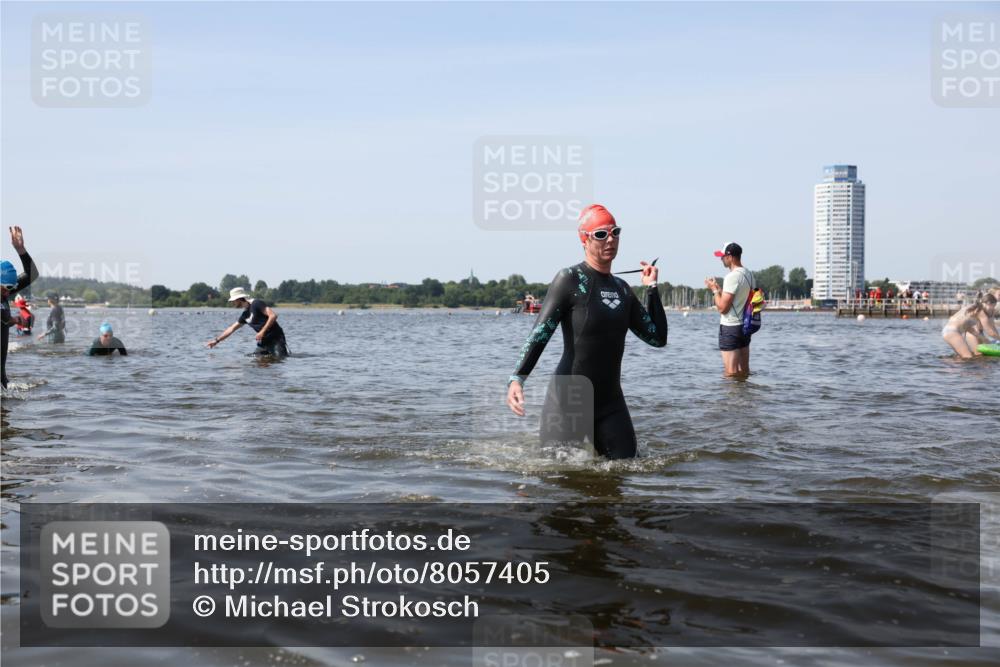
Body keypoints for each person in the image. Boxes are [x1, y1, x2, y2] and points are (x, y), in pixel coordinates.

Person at [505, 204, 667, 460]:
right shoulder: (569, 279)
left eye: (615, 232)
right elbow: (541, 332)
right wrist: (518, 378)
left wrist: (652, 288)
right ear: (584, 239)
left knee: (628, 468)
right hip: (569, 400)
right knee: (560, 483)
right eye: (601, 234)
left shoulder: (623, 289)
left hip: (611, 401)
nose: (610, 239)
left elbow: (657, 338)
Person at [704, 242, 756, 377]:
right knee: (744, 371)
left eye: (722, 256)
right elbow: (738, 298)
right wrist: (720, 289)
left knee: (730, 373)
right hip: (745, 326)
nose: (721, 259)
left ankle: (731, 398)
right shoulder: (749, 274)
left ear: (730, 257)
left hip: (731, 327)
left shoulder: (732, 276)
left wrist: (714, 290)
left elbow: (722, 308)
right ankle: (744, 397)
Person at [1, 226, 38, 389]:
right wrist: (15, 319)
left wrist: (20, 249)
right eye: (5, 287)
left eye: (11, 287)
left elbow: (32, 274)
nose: (8, 292)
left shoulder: (4, 292)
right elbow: (4, 318)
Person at [206, 286, 289, 357]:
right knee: (254, 359)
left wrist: (262, 332)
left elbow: (273, 315)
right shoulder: (245, 315)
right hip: (264, 342)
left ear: (238, 299)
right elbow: (231, 329)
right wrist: (216, 341)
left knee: (280, 360)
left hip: (276, 339)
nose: (232, 303)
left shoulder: (256, 304)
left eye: (233, 301)